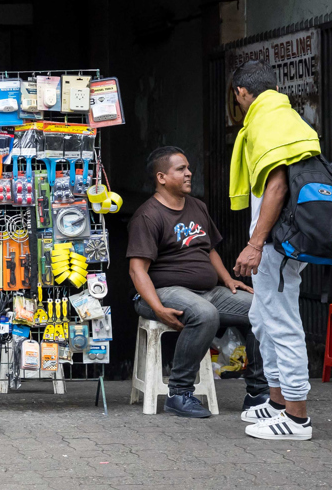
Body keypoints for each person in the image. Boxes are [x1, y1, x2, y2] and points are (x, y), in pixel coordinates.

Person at [128, 146, 268, 418]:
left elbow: (209, 250)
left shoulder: (197, 206)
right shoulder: (148, 215)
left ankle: (257, 392)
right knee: (206, 315)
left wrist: (228, 280)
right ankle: (179, 394)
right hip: (162, 292)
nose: (189, 173)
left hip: (209, 291)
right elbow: (137, 271)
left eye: (188, 167)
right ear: (162, 177)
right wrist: (157, 307)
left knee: (261, 309)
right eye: (181, 169)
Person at [228, 60, 322, 440]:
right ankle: (279, 402)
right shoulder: (282, 117)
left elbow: (278, 186)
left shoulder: (267, 122)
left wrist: (255, 244)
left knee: (281, 321)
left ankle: (297, 418)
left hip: (278, 242)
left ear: (241, 93)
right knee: (264, 318)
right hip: (275, 240)